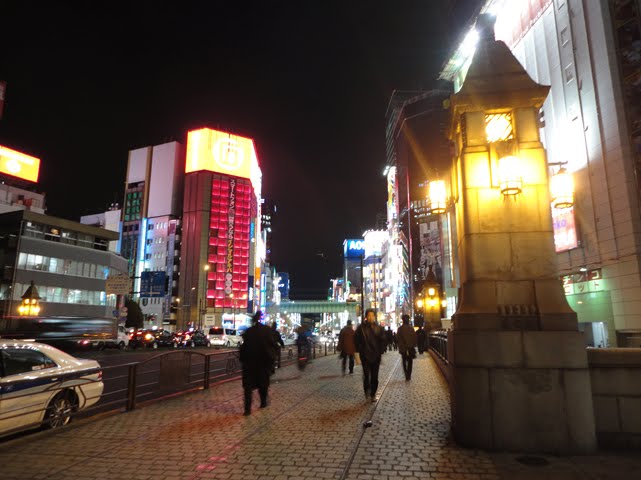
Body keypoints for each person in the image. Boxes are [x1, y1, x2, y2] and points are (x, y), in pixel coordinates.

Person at [239, 311, 278, 416]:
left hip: (249, 363)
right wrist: (273, 359)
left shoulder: (249, 332)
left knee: (248, 387)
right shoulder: (267, 330)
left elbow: (243, 347)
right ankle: (263, 402)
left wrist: (242, 359)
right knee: (263, 384)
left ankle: (247, 409)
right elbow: (272, 345)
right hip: (263, 362)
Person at [354, 308, 386, 402]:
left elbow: (383, 340)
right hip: (365, 355)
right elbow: (356, 341)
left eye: (372, 315)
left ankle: (373, 394)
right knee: (366, 375)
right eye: (369, 315)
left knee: (375, 376)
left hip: (376, 356)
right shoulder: (361, 328)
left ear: (375, 317)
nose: (370, 317)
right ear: (366, 317)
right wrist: (359, 351)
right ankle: (367, 391)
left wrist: (380, 351)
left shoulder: (379, 328)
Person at [396, 314, 417, 380]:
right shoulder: (411, 328)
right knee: (410, 361)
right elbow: (414, 338)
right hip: (410, 347)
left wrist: (400, 345)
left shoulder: (400, 329)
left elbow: (397, 338)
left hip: (403, 348)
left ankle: (406, 373)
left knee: (404, 360)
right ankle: (409, 374)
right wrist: (413, 345)